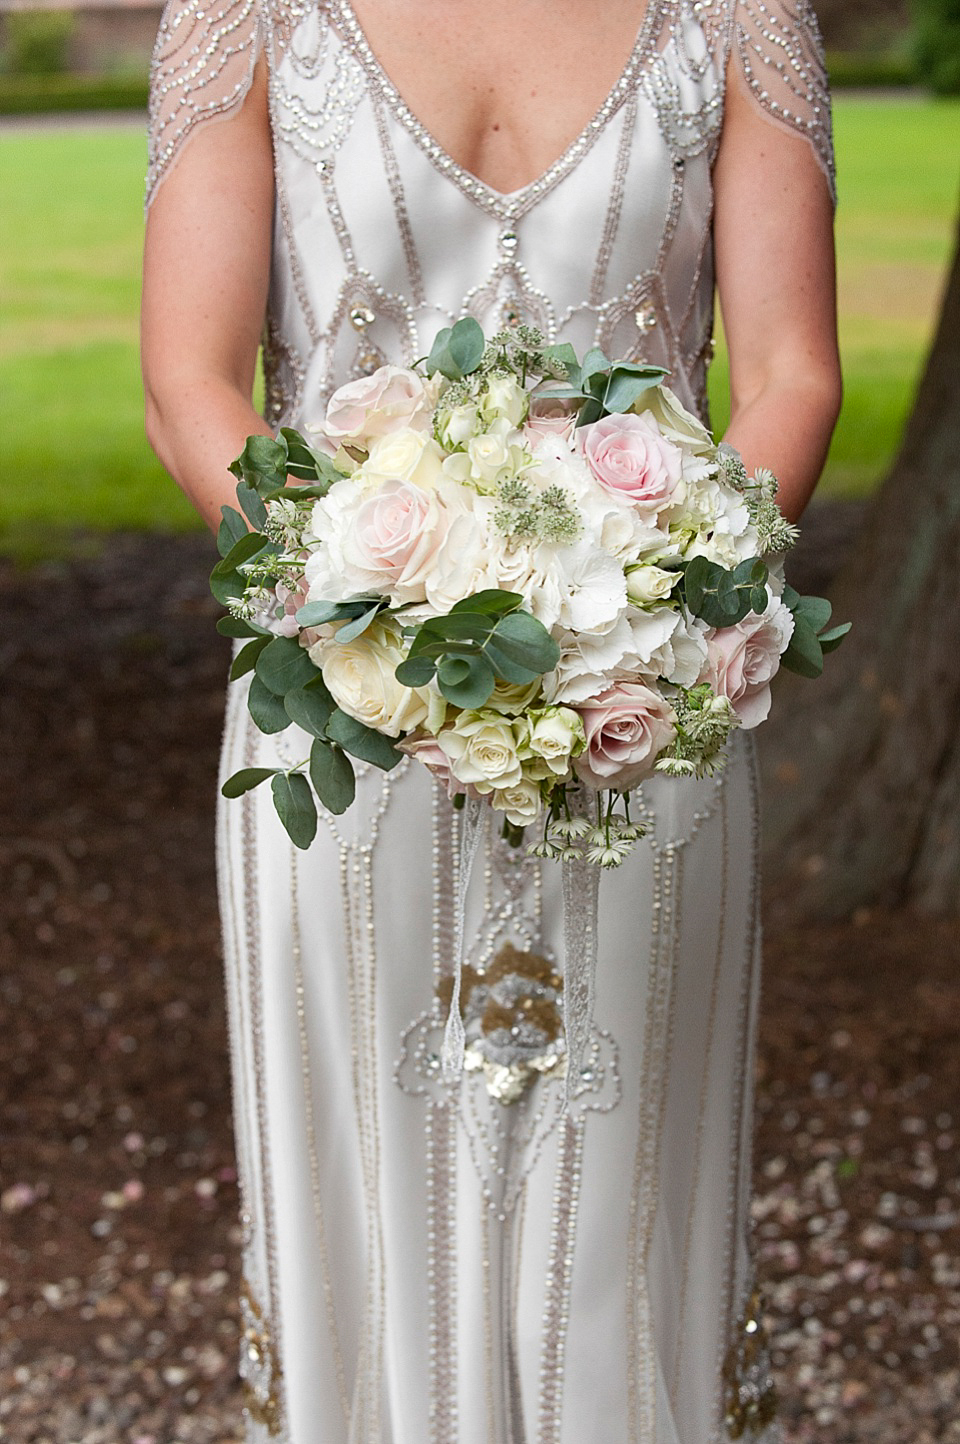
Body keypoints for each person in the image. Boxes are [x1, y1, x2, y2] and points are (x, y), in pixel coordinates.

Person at [140, 0, 841, 1438]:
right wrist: (361, 601)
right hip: (344, 727)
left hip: (644, 722)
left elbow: (790, 375)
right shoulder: (245, 14)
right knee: (371, 1222)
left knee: (625, 1215)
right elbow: (186, 382)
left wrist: (647, 610)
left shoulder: (739, 16)